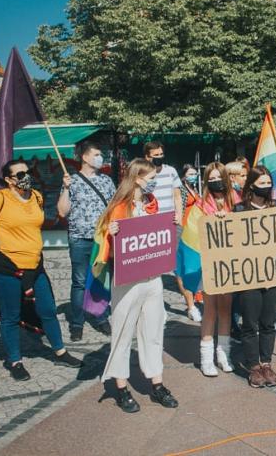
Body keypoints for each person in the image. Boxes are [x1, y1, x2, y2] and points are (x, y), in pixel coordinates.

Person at [0, 159, 83, 381]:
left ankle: (60, 351)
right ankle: (15, 361)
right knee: (11, 316)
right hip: (8, 268)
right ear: (8, 180)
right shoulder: (0, 199)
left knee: (48, 309)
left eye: (27, 172)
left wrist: (65, 188)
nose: (26, 177)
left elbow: (50, 217)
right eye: (20, 175)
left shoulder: (36, 196)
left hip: (35, 265)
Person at [99, 158, 178, 412]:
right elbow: (103, 241)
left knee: (154, 331)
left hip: (152, 277)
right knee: (122, 333)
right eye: (150, 176)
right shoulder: (118, 207)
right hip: (127, 282)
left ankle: (157, 385)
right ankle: (121, 388)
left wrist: (171, 226)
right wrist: (109, 233)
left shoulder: (150, 204)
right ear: (137, 178)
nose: (154, 181)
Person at [234, 165, 276, 387]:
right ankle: (253, 366)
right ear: (251, 185)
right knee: (250, 323)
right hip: (249, 276)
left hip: (273, 275)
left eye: (268, 183)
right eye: (261, 183)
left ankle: (266, 363)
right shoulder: (239, 210)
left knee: (268, 322)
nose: (266, 187)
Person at [57, 141, 116, 341]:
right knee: (80, 282)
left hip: (102, 239)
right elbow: (62, 211)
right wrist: (65, 189)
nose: (101, 157)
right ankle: (77, 323)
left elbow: (114, 209)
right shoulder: (71, 181)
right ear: (85, 157)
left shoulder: (107, 181)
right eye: (97, 153)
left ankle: (100, 318)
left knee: (100, 279)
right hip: (79, 239)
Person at [195, 162, 237, 376]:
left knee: (226, 310)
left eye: (217, 177)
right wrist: (212, 220)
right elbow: (195, 231)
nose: (214, 182)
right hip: (209, 263)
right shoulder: (200, 204)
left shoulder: (235, 199)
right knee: (210, 310)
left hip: (230, 263)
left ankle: (224, 353)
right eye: (210, 179)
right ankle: (206, 358)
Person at [176, 164, 202, 322]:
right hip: (182, 230)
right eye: (191, 173)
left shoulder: (194, 188)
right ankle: (191, 305)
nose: (194, 175)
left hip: (195, 230)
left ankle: (196, 294)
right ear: (184, 175)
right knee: (181, 268)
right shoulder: (180, 189)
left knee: (194, 264)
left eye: (195, 173)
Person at [143, 141, 183, 224]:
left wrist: (179, 215)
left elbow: (177, 197)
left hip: (170, 219)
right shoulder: (143, 174)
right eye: (156, 155)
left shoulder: (171, 171)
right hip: (151, 219)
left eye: (161, 154)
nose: (160, 157)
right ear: (147, 157)